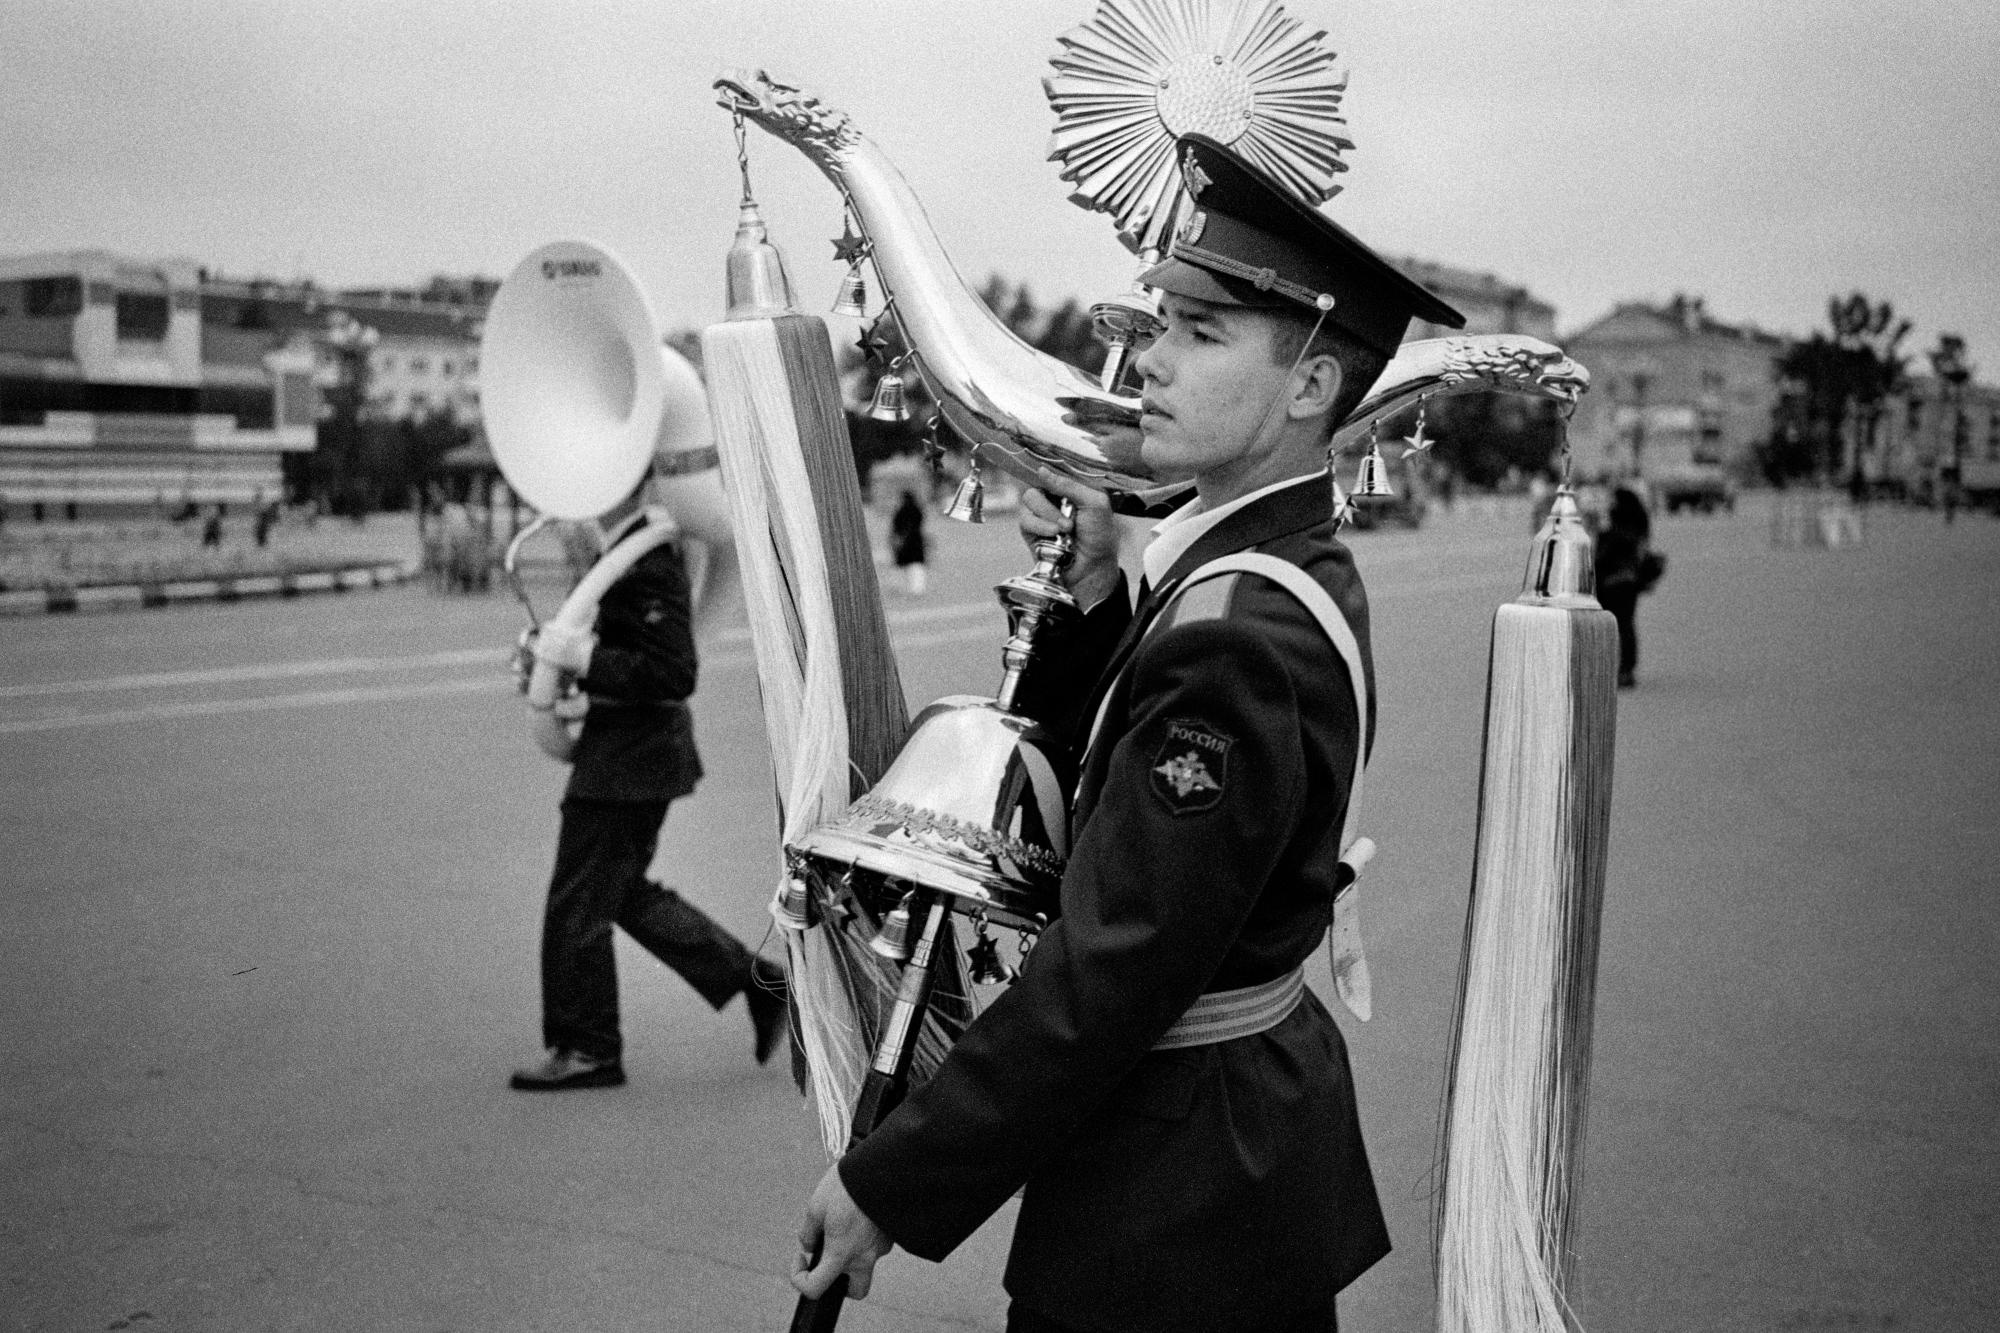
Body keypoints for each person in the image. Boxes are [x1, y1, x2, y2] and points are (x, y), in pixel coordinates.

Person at [792, 133, 1465, 1331]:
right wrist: (1101, 596)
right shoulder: (1260, 564)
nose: (1149, 358)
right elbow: (1124, 790)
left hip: (1178, 1210)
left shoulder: (1237, 627)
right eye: (1160, 324)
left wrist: (891, 1181)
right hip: (1220, 1162)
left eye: (1199, 334)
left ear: (1310, 384)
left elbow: (1111, 965)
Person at [511, 476, 787, 1091]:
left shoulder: (648, 557)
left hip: (629, 763)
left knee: (578, 903)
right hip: (625, 755)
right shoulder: (628, 549)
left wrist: (581, 661)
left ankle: (589, 1048)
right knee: (618, 894)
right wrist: (563, 668)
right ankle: (760, 984)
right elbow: (633, 653)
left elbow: (672, 671)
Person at [1594, 484, 1655, 689]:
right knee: (1626, 626)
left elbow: (1601, 560)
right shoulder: (1638, 529)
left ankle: (1612, 669)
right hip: (1629, 583)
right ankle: (1626, 669)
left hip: (1610, 584)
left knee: (1609, 627)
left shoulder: (1613, 533)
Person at [889, 489, 929, 595]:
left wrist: (896, 539)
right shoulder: (917, 510)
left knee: (902, 566)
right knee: (916, 565)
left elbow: (896, 527)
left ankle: (899, 587)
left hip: (904, 542)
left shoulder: (901, 511)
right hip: (916, 541)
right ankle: (917, 589)